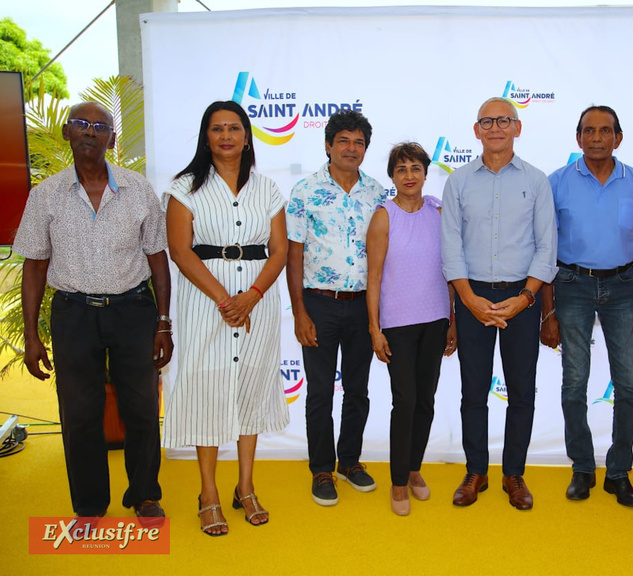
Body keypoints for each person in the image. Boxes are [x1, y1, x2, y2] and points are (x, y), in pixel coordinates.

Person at [14, 101, 172, 520]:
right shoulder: (45, 195)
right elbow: (34, 265)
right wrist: (31, 336)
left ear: (112, 140)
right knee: (80, 414)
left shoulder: (138, 190)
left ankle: (145, 494)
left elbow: (158, 259)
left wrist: (163, 323)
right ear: (67, 132)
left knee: (141, 409)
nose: (90, 131)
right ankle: (89, 505)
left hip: (133, 311)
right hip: (74, 314)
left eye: (100, 126)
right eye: (81, 124)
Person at [163, 101, 290, 536]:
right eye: (217, 129)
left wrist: (250, 297)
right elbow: (180, 251)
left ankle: (246, 487)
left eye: (234, 128)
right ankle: (208, 493)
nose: (226, 136)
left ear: (247, 136)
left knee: (251, 388)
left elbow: (280, 251)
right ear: (206, 137)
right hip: (206, 301)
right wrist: (225, 301)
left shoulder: (267, 188)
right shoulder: (184, 188)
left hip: (258, 301)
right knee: (207, 391)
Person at [441, 97, 557, 511]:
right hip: (472, 295)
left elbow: (547, 247)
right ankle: (476, 471)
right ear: (476, 130)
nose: (495, 128)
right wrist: (468, 299)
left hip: (522, 297)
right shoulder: (457, 182)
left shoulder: (537, 181)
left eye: (504, 121)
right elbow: (450, 246)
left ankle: (514, 474)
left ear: (517, 128)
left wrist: (526, 298)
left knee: (521, 391)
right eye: (487, 122)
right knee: (473, 391)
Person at [540, 105, 633, 508]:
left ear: (618, 138)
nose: (596, 138)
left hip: (623, 287)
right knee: (575, 383)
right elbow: (546, 252)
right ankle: (583, 467)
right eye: (588, 131)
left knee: (629, 385)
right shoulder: (557, 183)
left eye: (605, 131)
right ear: (578, 138)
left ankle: (619, 472)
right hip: (571, 285)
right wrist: (548, 312)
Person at [286, 109, 386, 506]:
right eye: (343, 140)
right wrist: (299, 312)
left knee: (358, 389)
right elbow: (294, 256)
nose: (351, 148)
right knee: (319, 392)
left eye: (359, 142)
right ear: (328, 145)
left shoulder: (378, 193)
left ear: (366, 149)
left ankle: (350, 462)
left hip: (363, 305)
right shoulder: (305, 191)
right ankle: (321, 468)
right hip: (318, 303)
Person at [366, 142, 457, 516]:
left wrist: (452, 320)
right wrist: (375, 329)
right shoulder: (383, 216)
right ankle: (398, 480)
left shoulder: (439, 212)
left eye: (415, 168)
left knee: (425, 400)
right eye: (401, 169)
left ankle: (414, 467)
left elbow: (450, 270)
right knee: (404, 401)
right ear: (392, 176)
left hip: (435, 320)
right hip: (398, 325)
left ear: (425, 173)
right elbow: (373, 276)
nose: (409, 175)